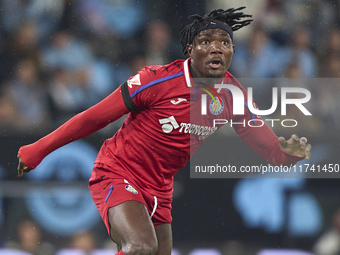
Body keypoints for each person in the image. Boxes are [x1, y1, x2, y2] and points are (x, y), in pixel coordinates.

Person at [17, 8, 312, 255]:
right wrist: (38, 150)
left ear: (233, 51)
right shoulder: (155, 80)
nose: (216, 47)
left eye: (224, 42)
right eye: (206, 41)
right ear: (190, 49)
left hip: (160, 189)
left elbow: (269, 149)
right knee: (141, 246)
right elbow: (92, 118)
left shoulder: (233, 96)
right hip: (119, 171)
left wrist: (287, 155)